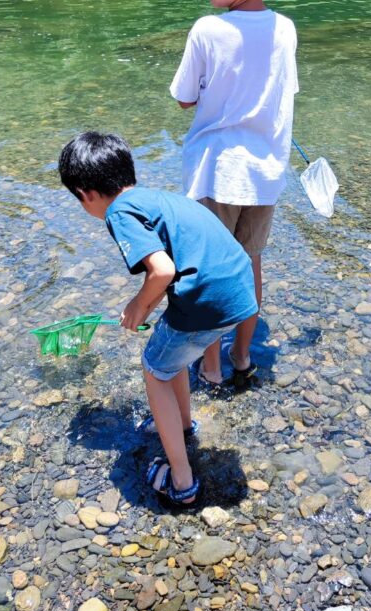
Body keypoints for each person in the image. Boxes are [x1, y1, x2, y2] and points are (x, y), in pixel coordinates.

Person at [58, 131, 258, 506]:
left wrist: (139, 306)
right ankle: (183, 425)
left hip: (208, 302)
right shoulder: (156, 198)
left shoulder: (118, 212)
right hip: (240, 291)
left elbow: (162, 270)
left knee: (153, 367)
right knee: (171, 358)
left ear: (85, 193)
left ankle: (181, 483)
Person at [170, 0, 298, 386]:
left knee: (206, 273)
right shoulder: (285, 28)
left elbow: (185, 97)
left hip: (215, 174)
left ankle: (208, 365)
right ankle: (242, 357)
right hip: (264, 177)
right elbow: (285, 93)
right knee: (250, 263)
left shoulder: (207, 30)